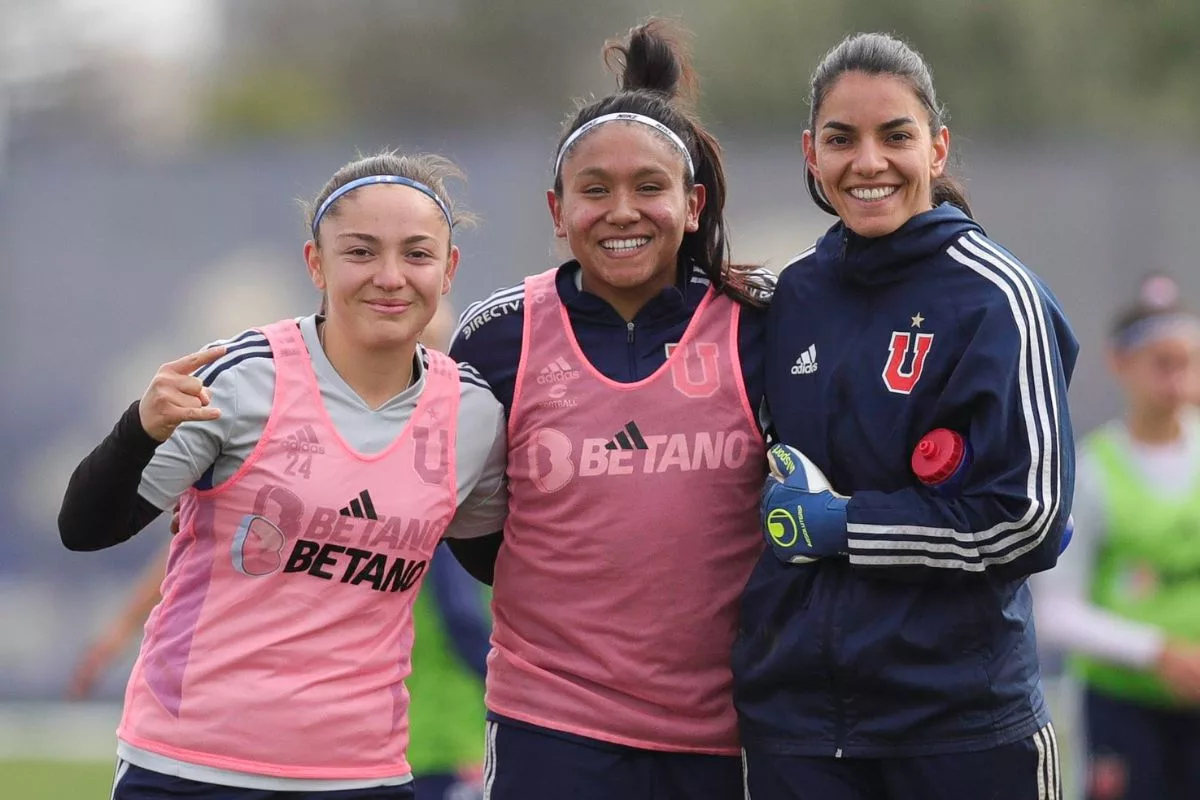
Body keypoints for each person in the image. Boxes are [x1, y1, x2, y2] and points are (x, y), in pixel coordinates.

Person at [57, 151, 508, 799]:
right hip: (189, 769)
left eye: (416, 254)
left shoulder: (472, 416)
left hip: (364, 776)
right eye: (359, 252)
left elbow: (504, 564)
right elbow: (87, 528)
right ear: (316, 264)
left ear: (448, 270)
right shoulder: (243, 378)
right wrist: (138, 429)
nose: (389, 276)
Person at [738, 32, 1078, 799]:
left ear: (936, 147)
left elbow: (1030, 518)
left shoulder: (997, 297)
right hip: (798, 727)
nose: (868, 162)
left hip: (961, 725)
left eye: (895, 135)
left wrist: (844, 525)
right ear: (810, 154)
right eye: (840, 139)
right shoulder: (790, 298)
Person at [446, 19, 773, 800]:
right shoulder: (498, 338)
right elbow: (475, 528)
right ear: (558, 212)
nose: (621, 211)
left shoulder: (758, 324)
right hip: (549, 726)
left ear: (692, 205)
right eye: (595, 191)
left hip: (727, 730)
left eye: (648, 188)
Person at [1033, 275, 1200, 800]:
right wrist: (1156, 653)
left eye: (1188, 361)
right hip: (1122, 707)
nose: (1177, 380)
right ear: (1120, 363)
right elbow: (1055, 611)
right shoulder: (1093, 472)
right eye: (1161, 362)